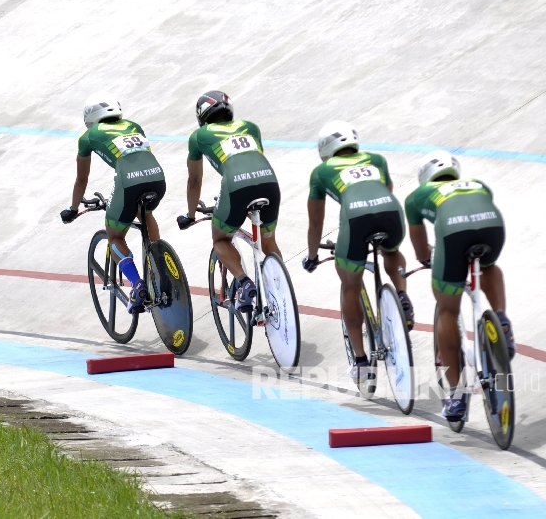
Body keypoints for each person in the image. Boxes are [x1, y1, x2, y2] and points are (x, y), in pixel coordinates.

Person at [301, 121, 415, 388]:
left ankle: (362, 363)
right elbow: (384, 192)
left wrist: (313, 255)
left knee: (351, 283)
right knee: (391, 249)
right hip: (391, 214)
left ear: (325, 148)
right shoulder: (377, 159)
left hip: (355, 221)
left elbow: (316, 224)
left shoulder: (321, 172)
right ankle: (401, 295)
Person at [404, 149, 515, 421]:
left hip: (453, 234)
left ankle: (456, 397)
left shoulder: (417, 196)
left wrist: (426, 258)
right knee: (487, 266)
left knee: (447, 310)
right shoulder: (478, 184)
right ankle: (500, 317)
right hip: (492, 226)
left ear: (425, 177)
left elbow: (420, 247)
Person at [60, 92, 165, 314]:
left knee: (115, 235)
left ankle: (137, 285)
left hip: (128, 183)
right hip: (157, 178)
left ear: (89, 118)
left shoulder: (88, 136)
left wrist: (73, 209)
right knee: (145, 213)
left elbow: (82, 179)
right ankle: (159, 264)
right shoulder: (134, 125)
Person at [177, 90, 280, 311]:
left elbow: (195, 180)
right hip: (269, 182)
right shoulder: (251, 127)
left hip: (236, 187)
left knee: (220, 239)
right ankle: (281, 293)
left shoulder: (198, 136)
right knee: (268, 240)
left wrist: (191, 214)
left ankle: (244, 283)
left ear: (202, 117)